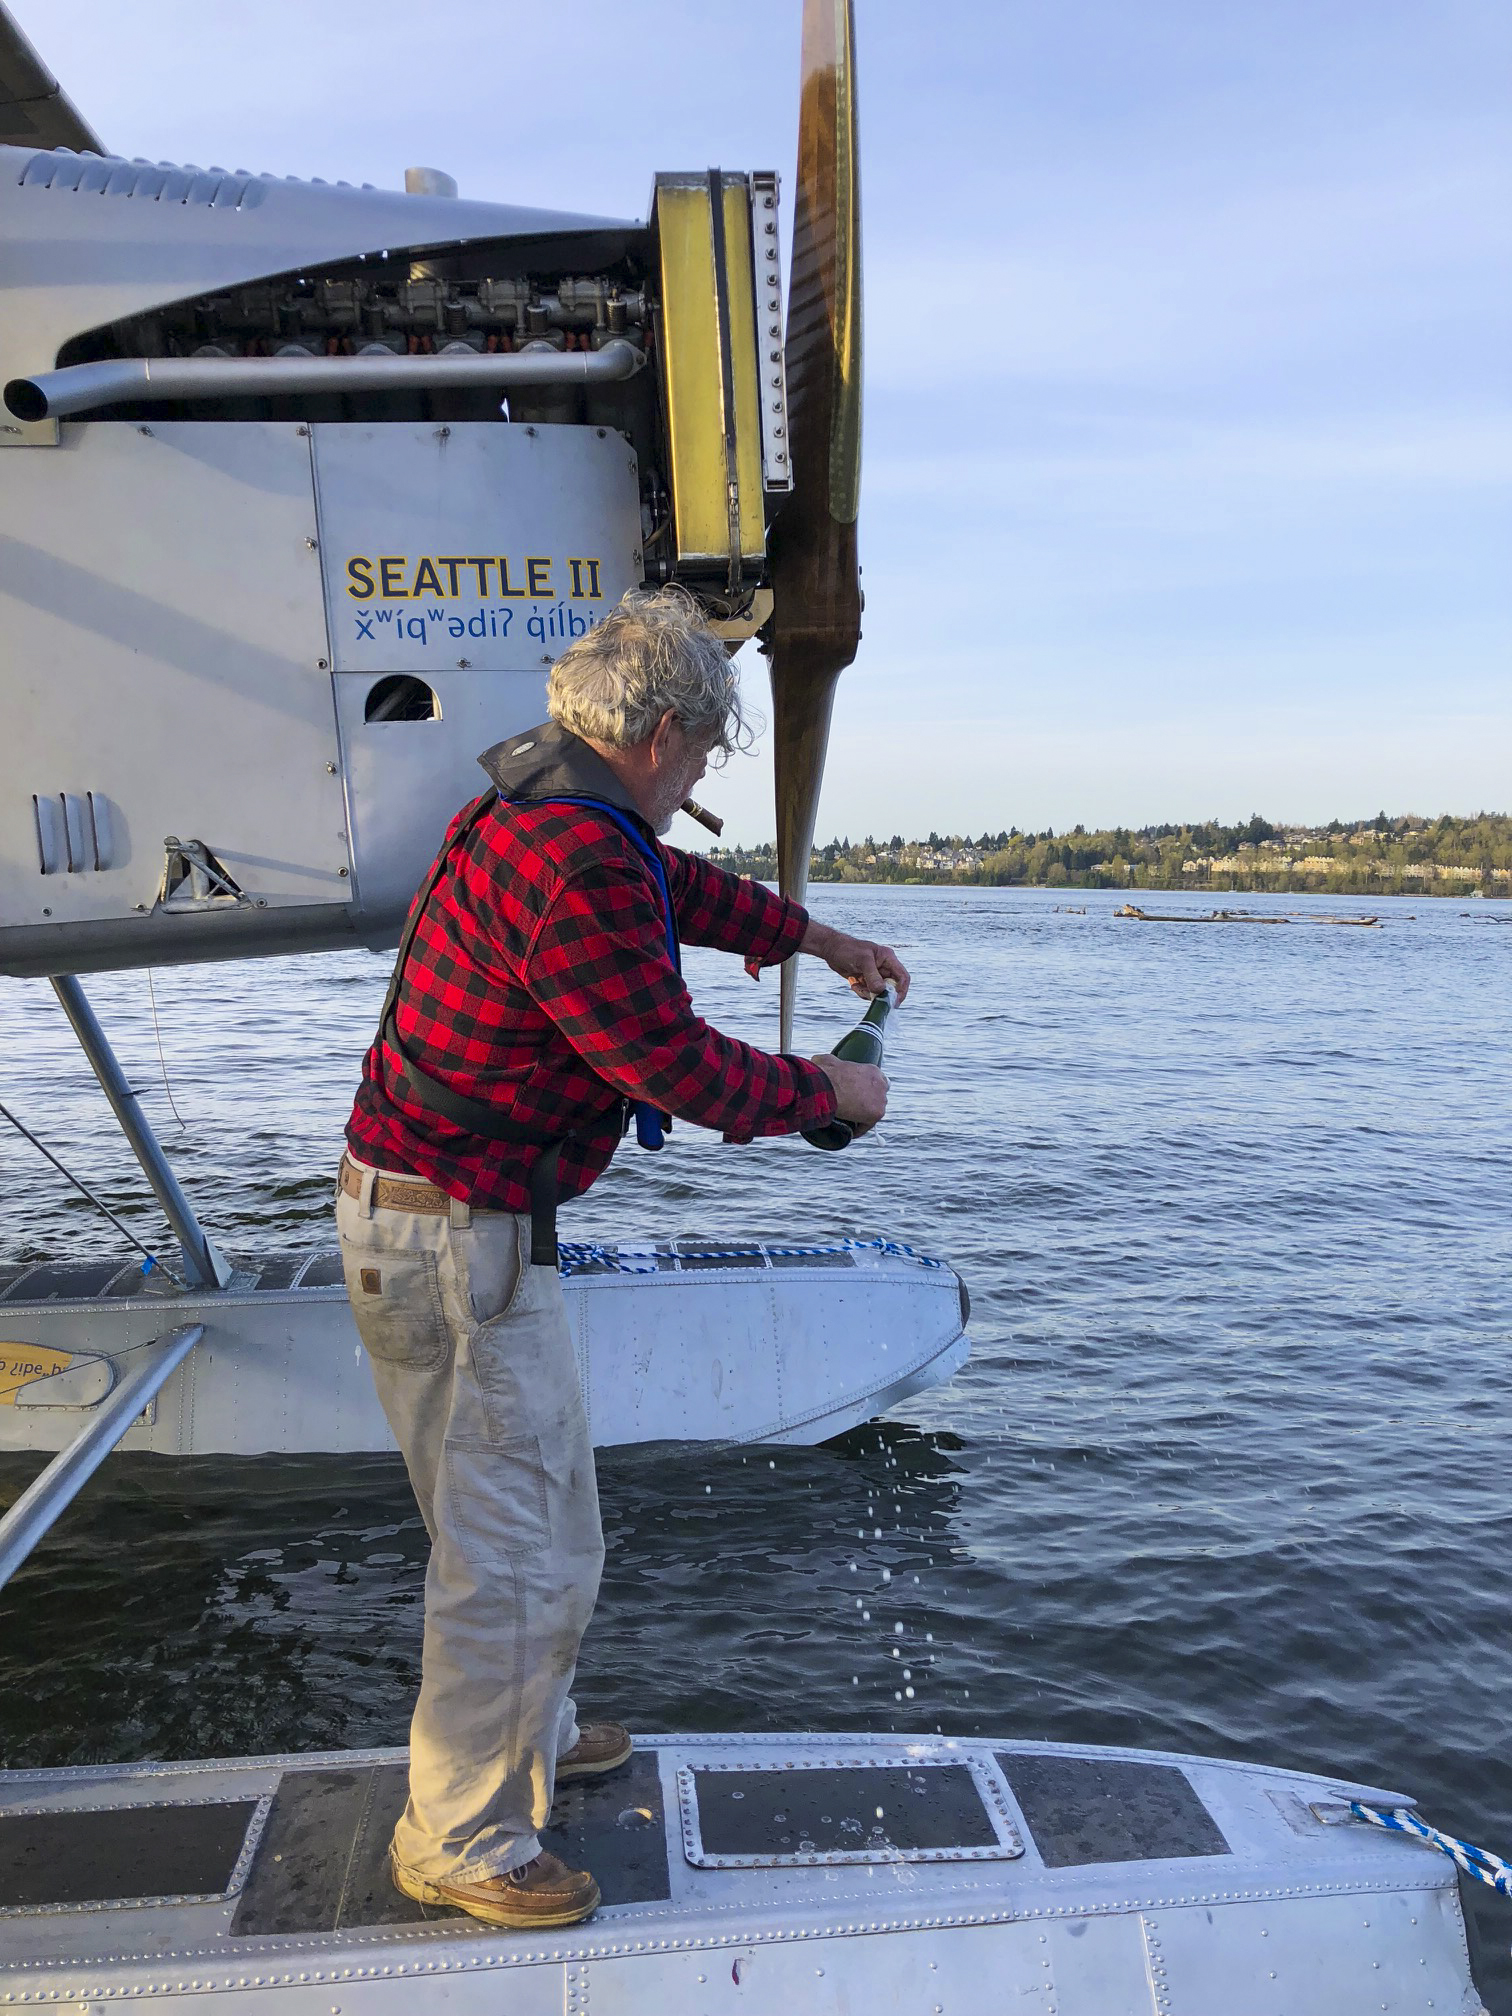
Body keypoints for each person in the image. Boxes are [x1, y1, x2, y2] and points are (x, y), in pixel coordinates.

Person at [335, 586, 909, 1931]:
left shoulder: (541, 805)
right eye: (704, 752)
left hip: (430, 1216)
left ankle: (534, 1730)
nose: (704, 774)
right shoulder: (578, 859)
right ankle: (465, 1835)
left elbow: (678, 884)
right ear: (658, 733)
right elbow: (669, 1062)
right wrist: (828, 1094)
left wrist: (808, 935)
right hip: (455, 1237)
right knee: (520, 1548)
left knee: (530, 1514)